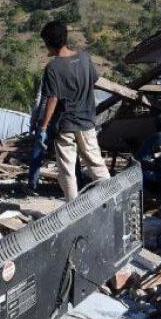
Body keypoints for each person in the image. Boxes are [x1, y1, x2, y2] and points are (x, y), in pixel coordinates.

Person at [36, 20, 110, 199]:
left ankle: (72, 207)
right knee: (96, 164)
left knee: (67, 170)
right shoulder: (85, 57)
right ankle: (113, 195)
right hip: (87, 123)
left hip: (66, 126)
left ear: (48, 43)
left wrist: (44, 127)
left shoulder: (53, 68)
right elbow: (93, 81)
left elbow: (52, 99)